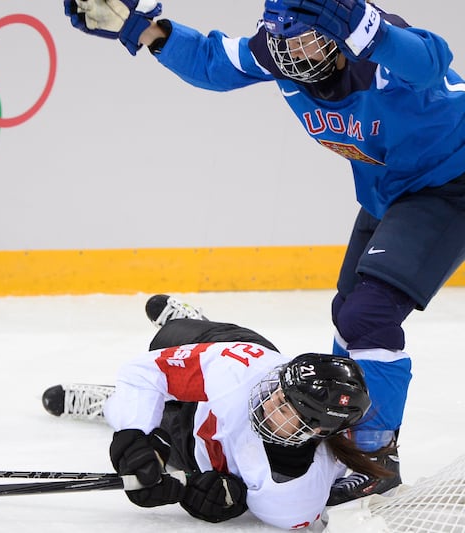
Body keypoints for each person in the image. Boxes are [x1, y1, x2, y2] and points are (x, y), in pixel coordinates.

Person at [63, 0, 465, 503]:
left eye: (308, 42)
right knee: (348, 316)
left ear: (342, 35)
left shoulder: (379, 56)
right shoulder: (276, 52)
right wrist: (141, 28)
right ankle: (346, 441)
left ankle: (375, 457)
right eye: (283, 42)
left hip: (450, 186)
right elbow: (214, 62)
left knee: (369, 317)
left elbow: (432, 60)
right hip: (388, 192)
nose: (293, 56)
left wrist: (371, 29)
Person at [42, 294, 395, 529]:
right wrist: (134, 434)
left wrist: (220, 497)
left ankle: (108, 404)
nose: (270, 399)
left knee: (149, 423)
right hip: (226, 357)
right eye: (280, 389)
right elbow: (145, 373)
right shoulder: (246, 369)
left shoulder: (293, 496)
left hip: (196, 443)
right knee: (172, 339)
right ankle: (190, 324)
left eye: (287, 408)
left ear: (315, 432)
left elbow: (248, 502)